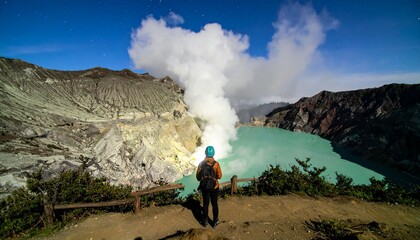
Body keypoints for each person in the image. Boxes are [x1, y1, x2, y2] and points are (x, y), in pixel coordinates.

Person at [196, 145, 222, 228]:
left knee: (205, 204)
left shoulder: (201, 164)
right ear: (213, 153)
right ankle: (215, 222)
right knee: (214, 204)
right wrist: (213, 178)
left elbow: (198, 177)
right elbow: (220, 176)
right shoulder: (216, 164)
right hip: (214, 187)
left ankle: (205, 221)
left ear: (205, 153)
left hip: (204, 187)